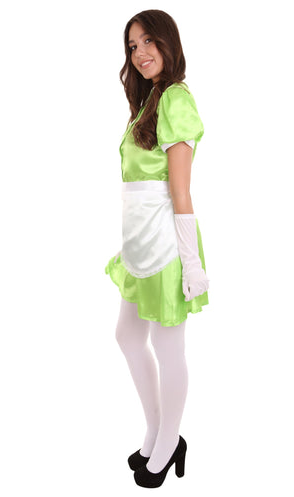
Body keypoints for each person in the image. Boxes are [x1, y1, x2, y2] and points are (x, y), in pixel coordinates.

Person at [104, 9, 209, 488]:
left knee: (169, 347)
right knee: (128, 336)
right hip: (138, 241)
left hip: (166, 243)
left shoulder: (176, 99)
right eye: (132, 46)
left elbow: (180, 191)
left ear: (168, 42)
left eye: (149, 41)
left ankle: (169, 441)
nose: (140, 53)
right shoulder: (148, 101)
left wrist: (191, 264)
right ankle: (156, 428)